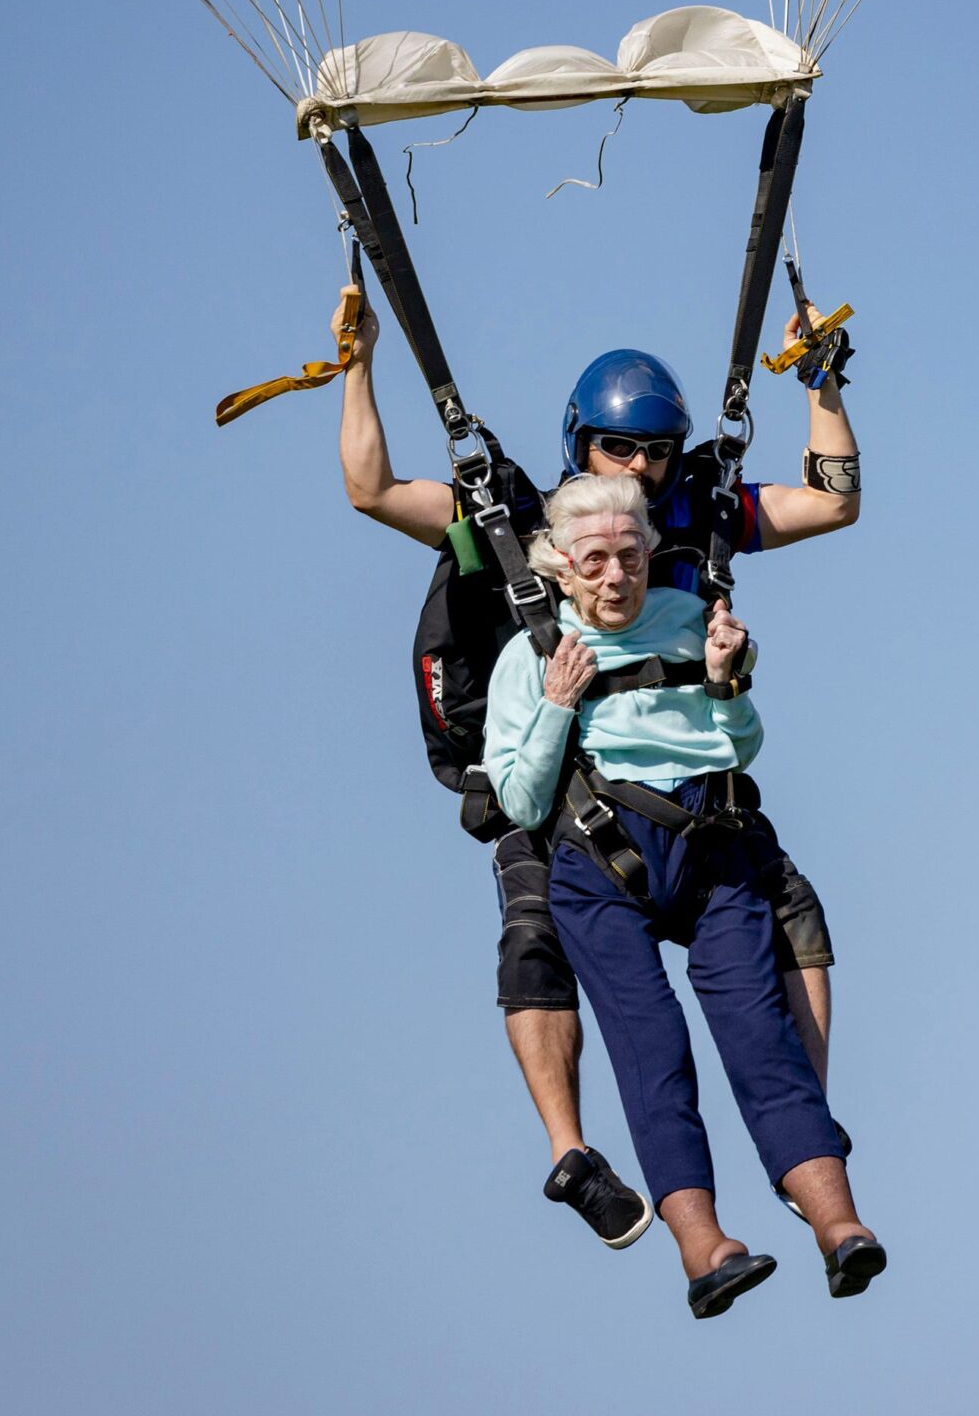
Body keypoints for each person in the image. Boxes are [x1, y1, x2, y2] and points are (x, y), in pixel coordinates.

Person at [338, 297, 865, 1243]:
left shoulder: (691, 517)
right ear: (584, 444)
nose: (641, 469)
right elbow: (374, 489)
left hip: (682, 784)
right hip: (555, 780)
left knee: (793, 910)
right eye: (621, 449)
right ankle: (571, 1154)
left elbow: (830, 500)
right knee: (534, 937)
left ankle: (800, 1129)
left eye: (658, 451)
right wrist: (358, 367)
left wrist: (824, 387)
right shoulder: (526, 521)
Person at [479, 474, 885, 1317]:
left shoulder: (692, 621)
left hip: (710, 850)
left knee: (759, 1033)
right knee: (652, 1048)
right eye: (595, 561)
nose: (616, 577)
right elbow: (519, 804)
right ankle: (705, 1251)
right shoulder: (527, 656)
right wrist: (557, 705)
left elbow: (740, 744)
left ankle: (839, 1226)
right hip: (601, 865)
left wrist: (727, 682)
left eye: (630, 557)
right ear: (560, 566)